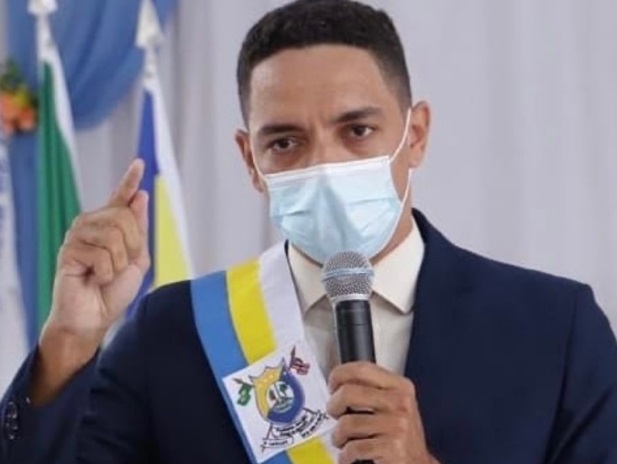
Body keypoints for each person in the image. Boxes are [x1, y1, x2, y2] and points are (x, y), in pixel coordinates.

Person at [2, 0, 617, 463]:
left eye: (357, 131)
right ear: (249, 160)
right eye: (285, 142)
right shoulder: (174, 332)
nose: (323, 164)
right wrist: (70, 339)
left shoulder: (555, 330)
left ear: (415, 134)